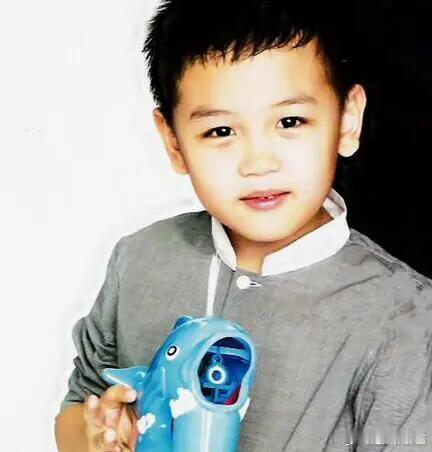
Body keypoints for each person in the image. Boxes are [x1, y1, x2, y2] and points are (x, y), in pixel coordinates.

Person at [54, 1, 432, 450]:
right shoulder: (140, 258)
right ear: (173, 142)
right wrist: (96, 437)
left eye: (290, 121)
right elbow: (79, 407)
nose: (258, 162)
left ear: (347, 121)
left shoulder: (406, 315)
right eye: (221, 131)